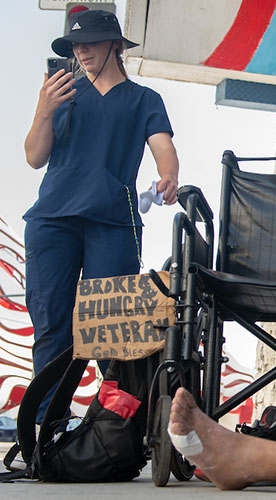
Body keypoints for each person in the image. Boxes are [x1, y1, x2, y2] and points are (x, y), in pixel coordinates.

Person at [23, 9, 179, 421]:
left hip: (113, 223)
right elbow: (34, 157)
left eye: (89, 42)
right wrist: (43, 109)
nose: (81, 50)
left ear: (115, 45)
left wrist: (169, 176)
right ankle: (47, 426)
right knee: (52, 327)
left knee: (113, 329)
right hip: (52, 222)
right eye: (75, 44)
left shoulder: (144, 99)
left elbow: (163, 146)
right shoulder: (61, 92)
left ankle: (114, 426)